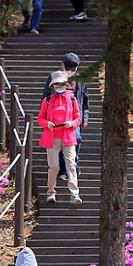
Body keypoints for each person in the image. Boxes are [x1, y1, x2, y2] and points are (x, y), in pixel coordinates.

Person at [41, 53, 90, 183]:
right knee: (62, 143)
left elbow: (84, 99)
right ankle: (63, 170)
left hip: (74, 116)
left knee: (76, 139)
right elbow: (45, 96)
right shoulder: (53, 77)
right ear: (63, 66)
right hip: (56, 118)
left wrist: (84, 118)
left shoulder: (81, 79)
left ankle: (74, 164)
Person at [37, 70, 82, 204]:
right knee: (54, 166)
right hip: (51, 136)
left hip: (68, 136)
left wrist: (72, 123)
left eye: (61, 83)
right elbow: (40, 118)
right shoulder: (48, 100)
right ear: (53, 85)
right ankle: (51, 192)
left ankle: (74, 193)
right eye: (56, 84)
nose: (59, 86)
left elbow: (77, 118)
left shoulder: (72, 99)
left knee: (71, 165)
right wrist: (47, 123)